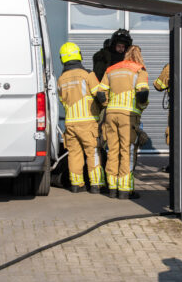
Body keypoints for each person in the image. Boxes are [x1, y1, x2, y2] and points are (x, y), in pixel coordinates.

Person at [97, 45, 149, 199]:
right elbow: (142, 93)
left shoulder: (112, 69)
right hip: (128, 115)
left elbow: (100, 93)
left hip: (111, 114)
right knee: (127, 150)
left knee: (112, 150)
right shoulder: (139, 70)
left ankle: (112, 188)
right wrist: (142, 107)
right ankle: (125, 190)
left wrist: (108, 105)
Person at [57, 42, 105, 194]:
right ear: (79, 55)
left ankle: (77, 185)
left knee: (74, 154)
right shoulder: (87, 75)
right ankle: (96, 185)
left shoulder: (61, 79)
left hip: (70, 123)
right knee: (93, 153)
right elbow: (100, 94)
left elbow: (62, 100)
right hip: (88, 122)